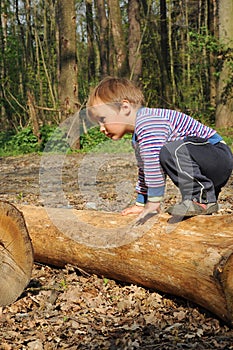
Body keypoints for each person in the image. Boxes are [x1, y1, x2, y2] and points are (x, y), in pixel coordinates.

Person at [86, 76, 233, 219]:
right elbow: (146, 169)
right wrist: (141, 203)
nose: (101, 128)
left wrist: (153, 202)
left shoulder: (148, 122)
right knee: (169, 152)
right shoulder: (139, 136)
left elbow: (154, 166)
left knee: (170, 151)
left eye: (103, 120)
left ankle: (202, 200)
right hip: (205, 164)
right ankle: (199, 203)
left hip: (217, 156)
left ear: (125, 107)